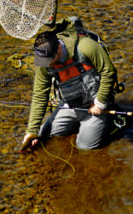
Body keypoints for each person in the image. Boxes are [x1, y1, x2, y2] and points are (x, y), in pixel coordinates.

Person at [19, 18, 119, 152]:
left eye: (50, 61)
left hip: (95, 106)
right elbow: (40, 95)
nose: (46, 65)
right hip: (70, 104)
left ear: (58, 49)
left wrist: (100, 103)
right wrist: (32, 131)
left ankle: (108, 121)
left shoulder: (85, 47)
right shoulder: (44, 61)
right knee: (45, 134)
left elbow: (109, 72)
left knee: (85, 147)